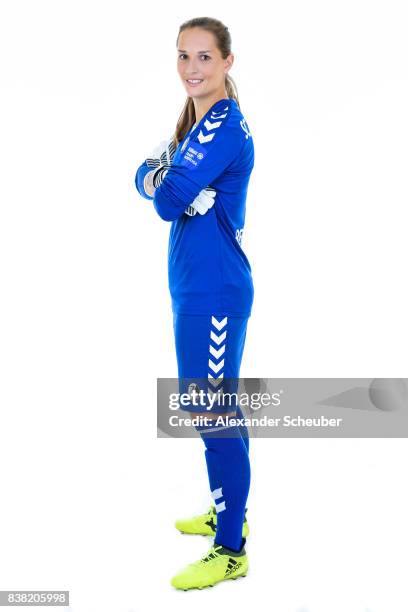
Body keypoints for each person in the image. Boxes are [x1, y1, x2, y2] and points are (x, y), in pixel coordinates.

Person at [134, 16, 255, 590]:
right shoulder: (195, 124)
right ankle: (227, 510)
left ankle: (230, 548)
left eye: (205, 57)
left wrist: (168, 181)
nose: (192, 68)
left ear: (227, 62)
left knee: (210, 411)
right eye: (184, 56)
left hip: (214, 293)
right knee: (215, 408)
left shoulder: (222, 129)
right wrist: (165, 174)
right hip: (194, 286)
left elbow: (163, 201)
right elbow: (145, 176)